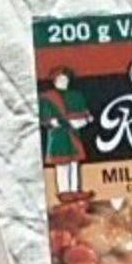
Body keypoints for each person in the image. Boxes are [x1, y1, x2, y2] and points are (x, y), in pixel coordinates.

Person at [39, 66, 92, 202]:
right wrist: (53, 122)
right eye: (61, 79)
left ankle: (75, 190)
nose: (64, 81)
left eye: (66, 79)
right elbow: (44, 118)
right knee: (62, 163)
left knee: (74, 162)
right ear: (55, 80)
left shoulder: (75, 95)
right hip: (59, 135)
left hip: (74, 134)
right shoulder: (47, 97)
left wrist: (83, 120)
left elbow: (85, 114)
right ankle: (64, 192)